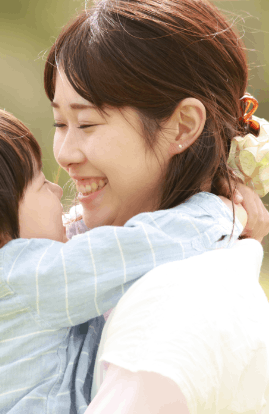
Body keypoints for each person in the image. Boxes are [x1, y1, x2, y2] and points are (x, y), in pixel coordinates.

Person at [0, 100, 249, 414]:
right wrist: (222, 209)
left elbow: (72, 242)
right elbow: (133, 250)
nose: (57, 190)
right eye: (37, 183)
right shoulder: (22, 281)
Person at [43, 0, 269, 412]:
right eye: (60, 123)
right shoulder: (203, 265)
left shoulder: (171, 311)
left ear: (182, 126)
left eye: (87, 123)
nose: (64, 153)